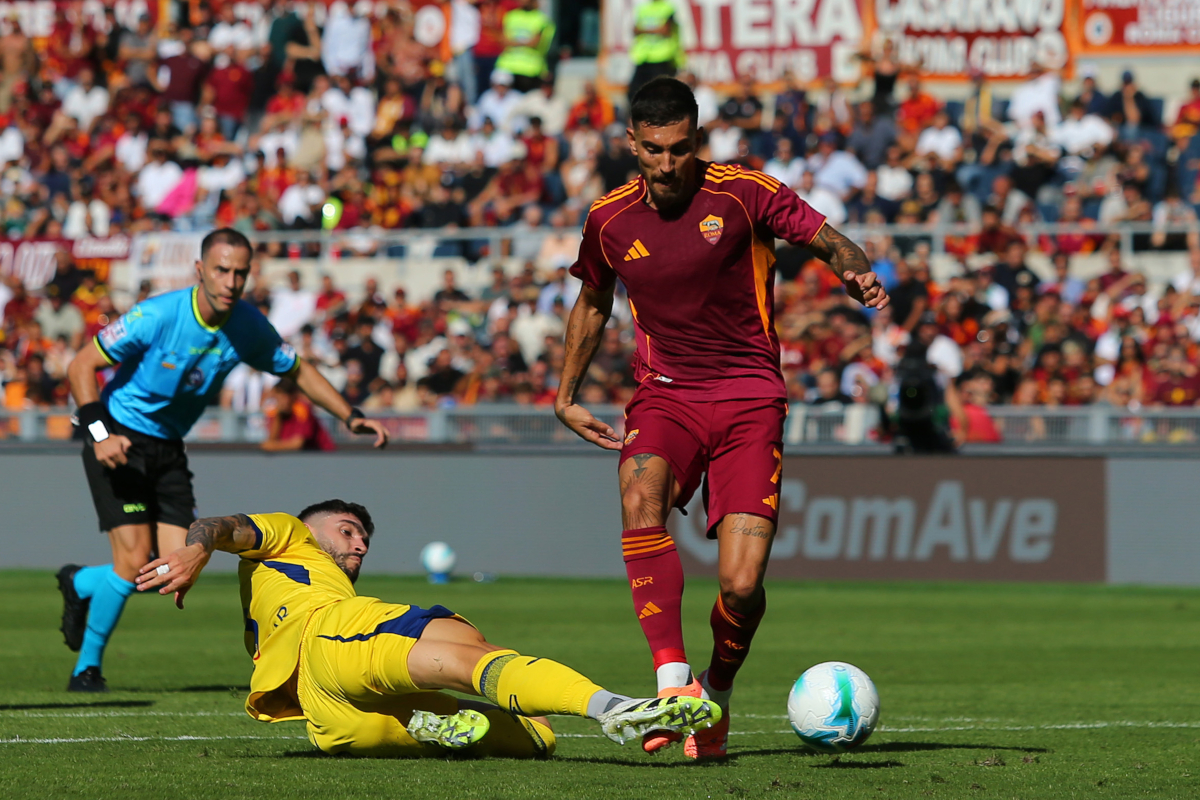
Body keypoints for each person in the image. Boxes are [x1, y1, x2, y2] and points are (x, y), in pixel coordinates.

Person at [554, 77, 889, 759]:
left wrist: (855, 270)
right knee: (639, 494)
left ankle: (717, 695)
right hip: (666, 396)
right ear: (632, 144)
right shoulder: (609, 219)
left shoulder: (745, 193)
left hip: (748, 398)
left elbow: (830, 240)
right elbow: (593, 301)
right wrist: (564, 394)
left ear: (697, 140)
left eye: (680, 148)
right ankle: (673, 684)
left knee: (740, 585)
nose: (668, 163)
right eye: (654, 150)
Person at [56, 229, 390, 693]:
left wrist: (350, 416)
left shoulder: (248, 326)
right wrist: (99, 434)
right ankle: (87, 670)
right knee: (133, 562)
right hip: (118, 438)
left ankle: (80, 584)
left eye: (239, 272)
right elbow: (78, 366)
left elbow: (299, 369)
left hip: (169, 448)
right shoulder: (157, 315)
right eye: (221, 270)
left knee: (175, 563)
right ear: (200, 270)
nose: (231, 281)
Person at [135, 500, 720, 758]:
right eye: (347, 530)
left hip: (327, 720)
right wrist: (193, 551)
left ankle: (433, 726)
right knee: (468, 656)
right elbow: (218, 525)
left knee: (538, 739)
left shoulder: (303, 585)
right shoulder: (290, 535)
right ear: (312, 528)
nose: (359, 543)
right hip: (329, 640)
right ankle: (612, 707)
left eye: (364, 539)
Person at [627, 0, 683, 106]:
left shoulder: (667, 8)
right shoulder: (643, 9)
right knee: (634, 94)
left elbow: (665, 30)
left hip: (662, 57)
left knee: (661, 96)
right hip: (644, 57)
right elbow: (635, 30)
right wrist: (654, 30)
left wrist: (644, 30)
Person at [495, 0, 555, 94]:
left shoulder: (541, 18)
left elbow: (534, 42)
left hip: (531, 70)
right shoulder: (511, 16)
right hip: (508, 67)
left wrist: (514, 42)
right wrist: (525, 41)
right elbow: (503, 40)